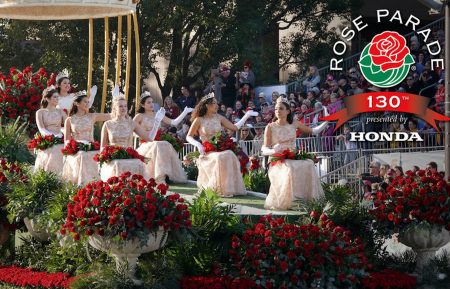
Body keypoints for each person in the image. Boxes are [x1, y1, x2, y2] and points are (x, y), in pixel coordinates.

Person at [261, 97, 328, 210]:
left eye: (281, 109)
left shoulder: (295, 124)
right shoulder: (270, 127)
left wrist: (328, 120)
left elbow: (313, 131)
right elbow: (264, 149)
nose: (278, 111)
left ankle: (308, 200)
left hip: (292, 156)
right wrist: (273, 150)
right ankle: (290, 203)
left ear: (288, 111)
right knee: (290, 168)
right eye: (276, 109)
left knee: (309, 164)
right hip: (277, 160)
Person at [186, 93, 258, 197]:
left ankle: (229, 188)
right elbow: (189, 136)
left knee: (229, 154)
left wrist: (246, 116)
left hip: (220, 148)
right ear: (207, 105)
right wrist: (198, 145)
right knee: (222, 156)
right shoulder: (199, 120)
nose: (217, 105)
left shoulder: (219, 117)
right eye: (214, 103)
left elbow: (235, 127)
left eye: (217, 103)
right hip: (207, 151)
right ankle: (216, 188)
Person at [134, 92, 193, 183]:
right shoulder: (139, 116)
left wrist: (185, 112)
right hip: (145, 144)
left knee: (165, 144)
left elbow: (174, 122)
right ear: (142, 104)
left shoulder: (157, 114)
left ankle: (164, 175)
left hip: (157, 143)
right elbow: (132, 128)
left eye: (152, 102)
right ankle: (157, 176)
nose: (151, 104)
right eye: (148, 102)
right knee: (160, 145)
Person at [100, 90, 153, 181]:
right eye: (120, 106)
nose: (123, 108)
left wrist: (156, 125)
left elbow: (148, 138)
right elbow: (103, 146)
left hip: (129, 156)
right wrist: (104, 159)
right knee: (117, 164)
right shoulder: (107, 124)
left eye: (125, 106)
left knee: (138, 164)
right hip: (113, 158)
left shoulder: (132, 123)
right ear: (114, 108)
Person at [62, 91, 110, 186]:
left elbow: (111, 116)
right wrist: (68, 152)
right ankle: (81, 185)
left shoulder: (92, 116)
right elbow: (67, 139)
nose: (88, 104)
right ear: (77, 103)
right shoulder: (70, 120)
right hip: (77, 149)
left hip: (91, 147)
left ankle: (94, 183)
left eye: (88, 102)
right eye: (85, 101)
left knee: (90, 155)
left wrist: (117, 103)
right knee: (82, 155)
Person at [34, 87, 67, 174]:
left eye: (58, 97)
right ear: (47, 99)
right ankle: (49, 175)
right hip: (47, 139)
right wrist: (52, 137)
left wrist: (62, 133)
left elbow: (68, 125)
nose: (57, 99)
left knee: (63, 148)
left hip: (60, 138)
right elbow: (41, 128)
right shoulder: (40, 112)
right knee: (54, 148)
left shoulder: (60, 111)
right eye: (55, 97)